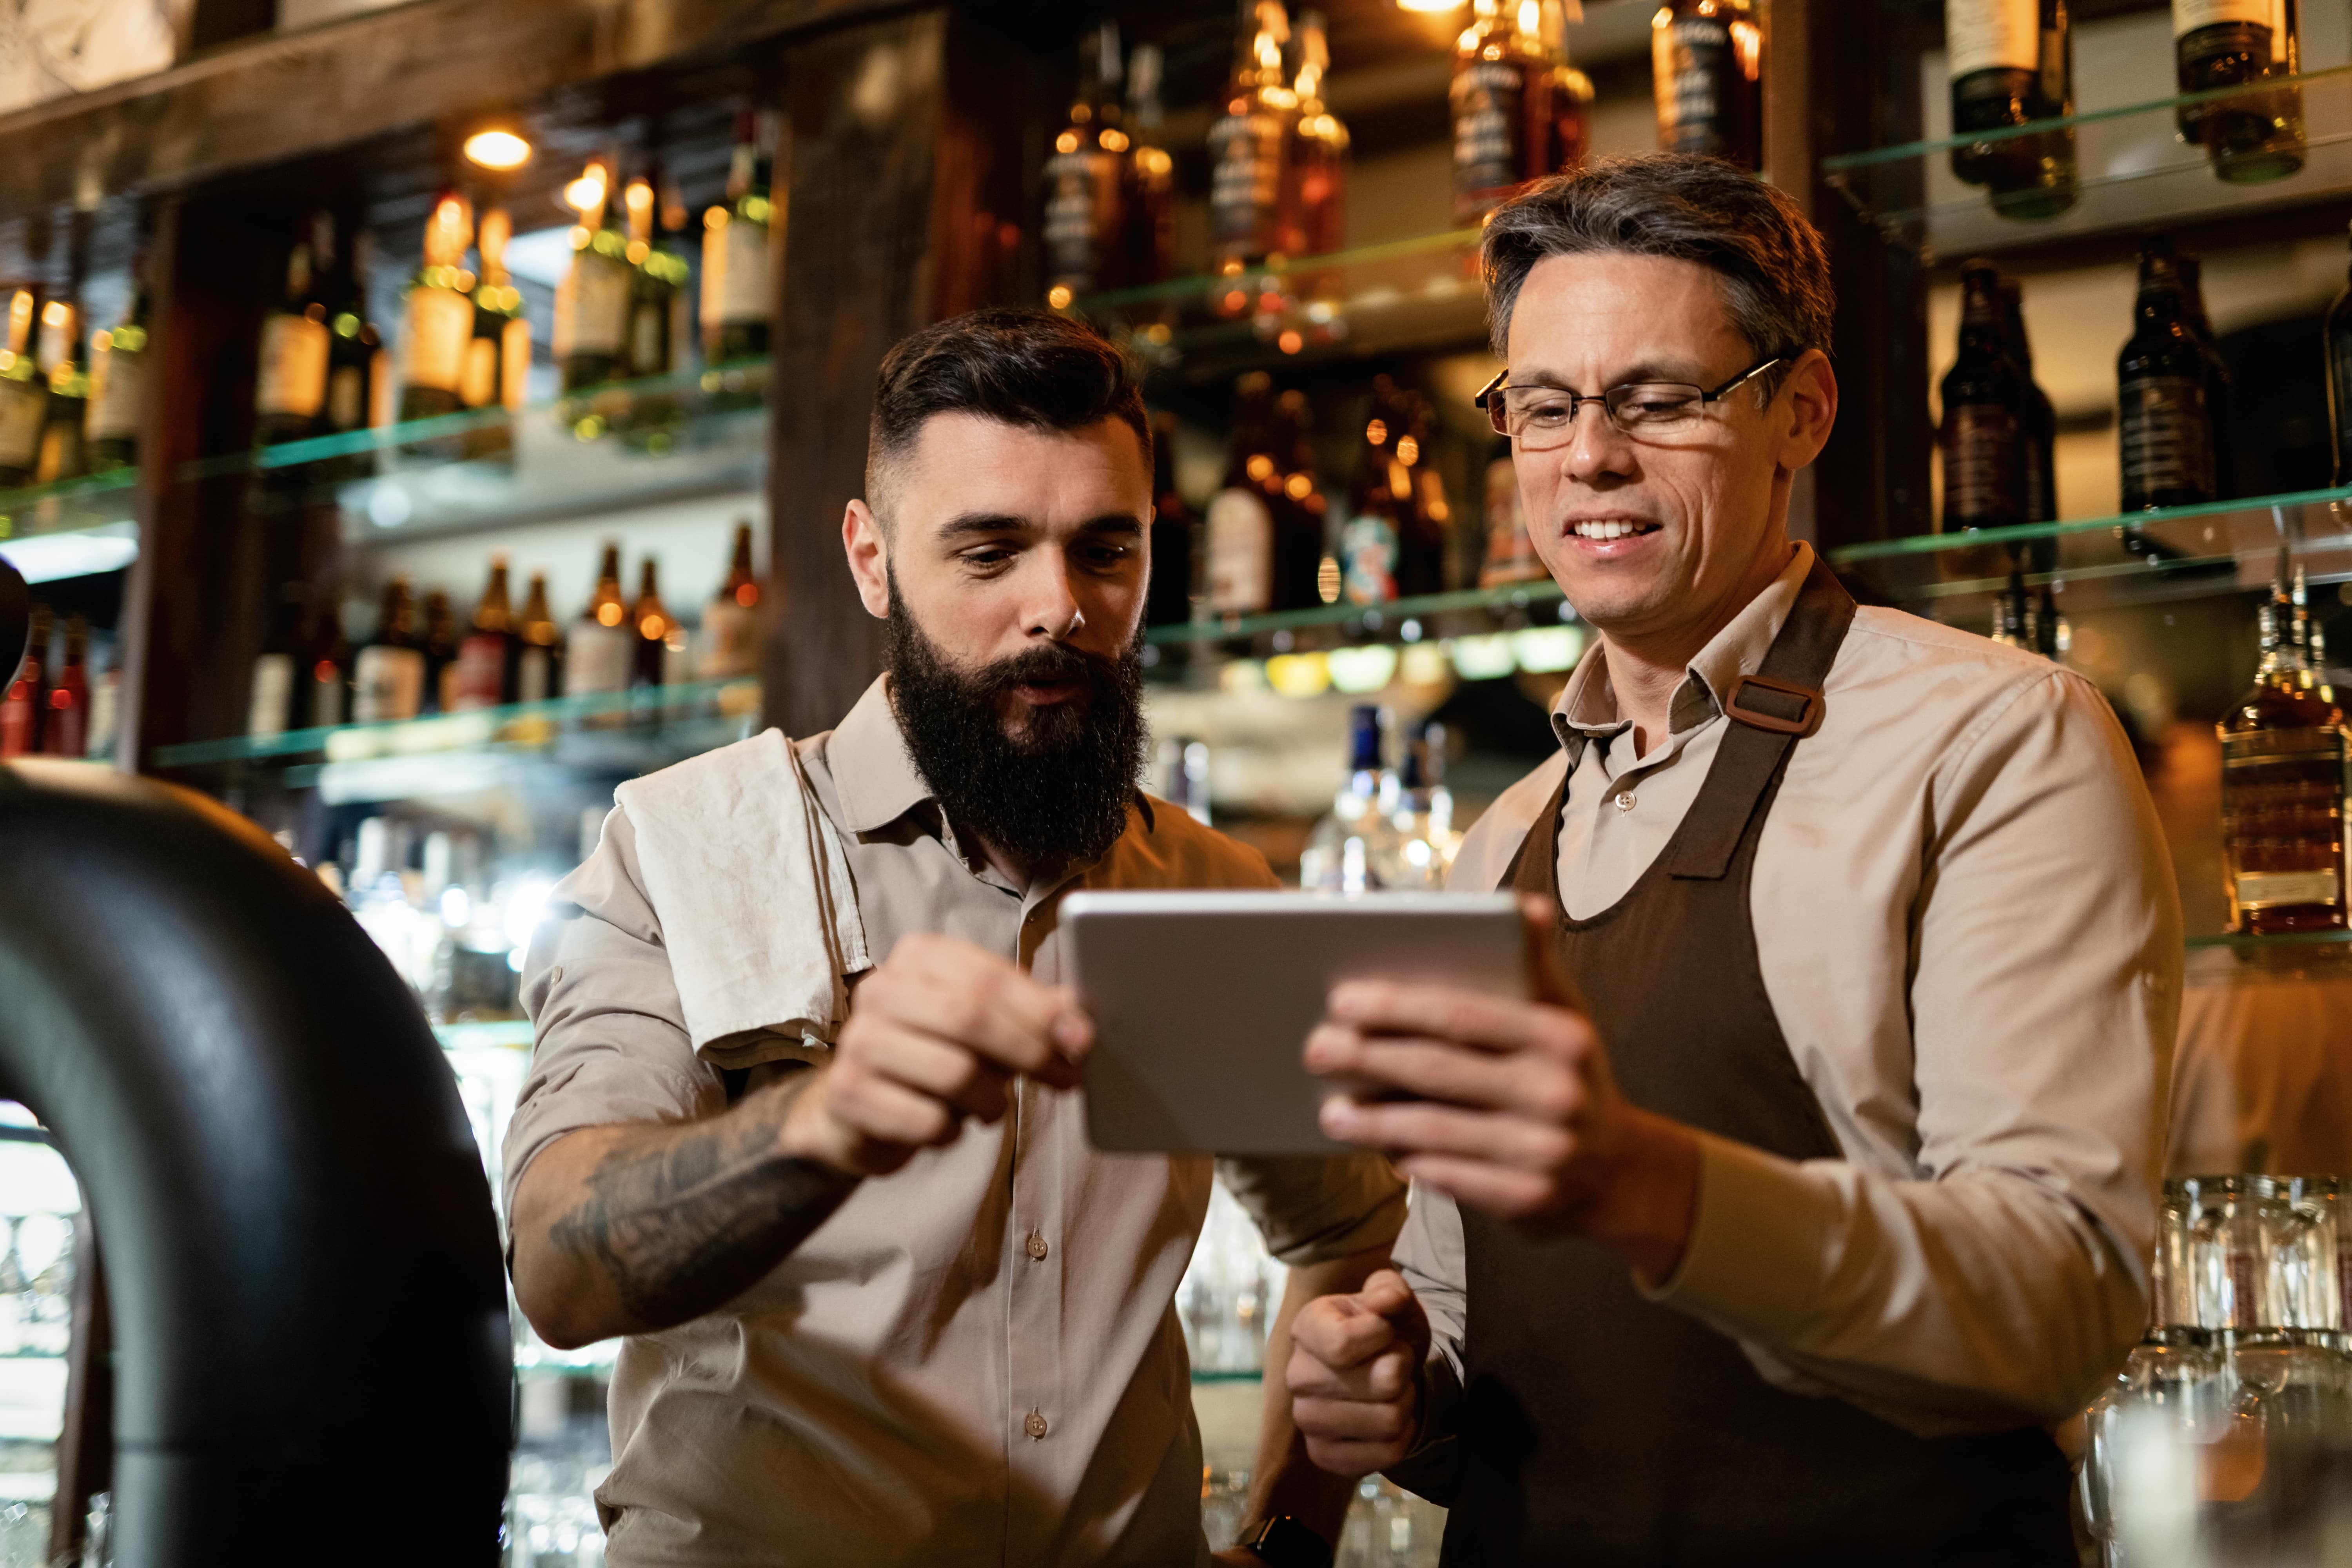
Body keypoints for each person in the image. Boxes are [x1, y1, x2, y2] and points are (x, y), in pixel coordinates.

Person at [1283, 155, 2181, 1564]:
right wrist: (1400, 1388)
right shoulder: (1502, 837)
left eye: (1659, 400)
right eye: (1544, 405)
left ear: (1799, 413)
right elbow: (1473, 1304)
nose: (1590, 457)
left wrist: (1661, 1187)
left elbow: (2060, 1301)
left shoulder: (1997, 737)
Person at [504, 308, 1403, 1567]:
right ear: (872, 562)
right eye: (989, 554)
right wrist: (817, 1128)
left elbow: (1351, 1239)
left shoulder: (1213, 895)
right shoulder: (685, 844)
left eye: (1107, 551)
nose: (1061, 610)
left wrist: (1293, 1540)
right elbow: (556, 1268)